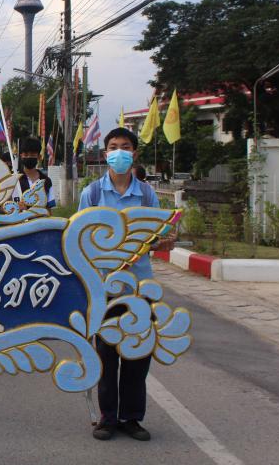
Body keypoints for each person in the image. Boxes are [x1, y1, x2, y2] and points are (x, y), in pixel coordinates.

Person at [78, 128, 175, 442]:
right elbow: (79, 238)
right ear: (105, 153)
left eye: (125, 146)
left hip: (139, 287)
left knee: (137, 354)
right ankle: (107, 418)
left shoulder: (146, 194)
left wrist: (165, 242)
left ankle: (132, 418)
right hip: (104, 287)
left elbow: (156, 236)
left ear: (134, 153)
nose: (119, 151)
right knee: (106, 355)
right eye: (113, 146)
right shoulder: (92, 194)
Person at [13, 137, 56, 214]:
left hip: (39, 221)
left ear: (39, 157)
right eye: (26, 154)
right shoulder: (13, 180)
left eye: (32, 154)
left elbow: (49, 210)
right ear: (21, 156)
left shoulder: (46, 181)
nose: (29, 157)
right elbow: (2, 207)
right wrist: (16, 207)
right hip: (18, 221)